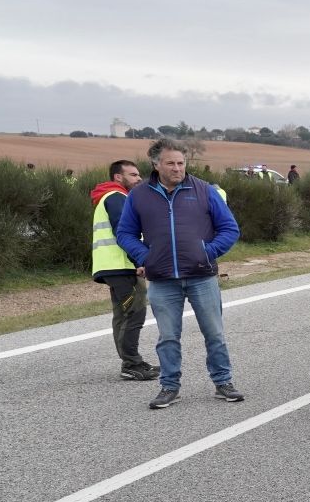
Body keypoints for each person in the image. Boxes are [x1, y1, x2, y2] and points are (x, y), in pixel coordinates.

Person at [115, 138, 245, 410]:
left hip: (202, 275)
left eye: (181, 163)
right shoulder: (139, 195)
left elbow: (230, 229)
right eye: (170, 163)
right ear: (156, 164)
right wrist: (144, 256)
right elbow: (125, 233)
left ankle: (223, 382)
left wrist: (207, 252)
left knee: (215, 334)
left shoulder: (204, 190)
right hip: (162, 280)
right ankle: (169, 387)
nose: (177, 168)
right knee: (168, 337)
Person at [91, 159, 157, 381]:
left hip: (114, 266)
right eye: (134, 175)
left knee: (123, 314)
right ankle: (131, 363)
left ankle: (131, 361)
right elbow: (124, 233)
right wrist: (139, 260)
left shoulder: (113, 196)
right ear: (119, 177)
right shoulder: (117, 198)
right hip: (121, 265)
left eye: (139, 175)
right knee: (134, 312)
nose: (139, 178)